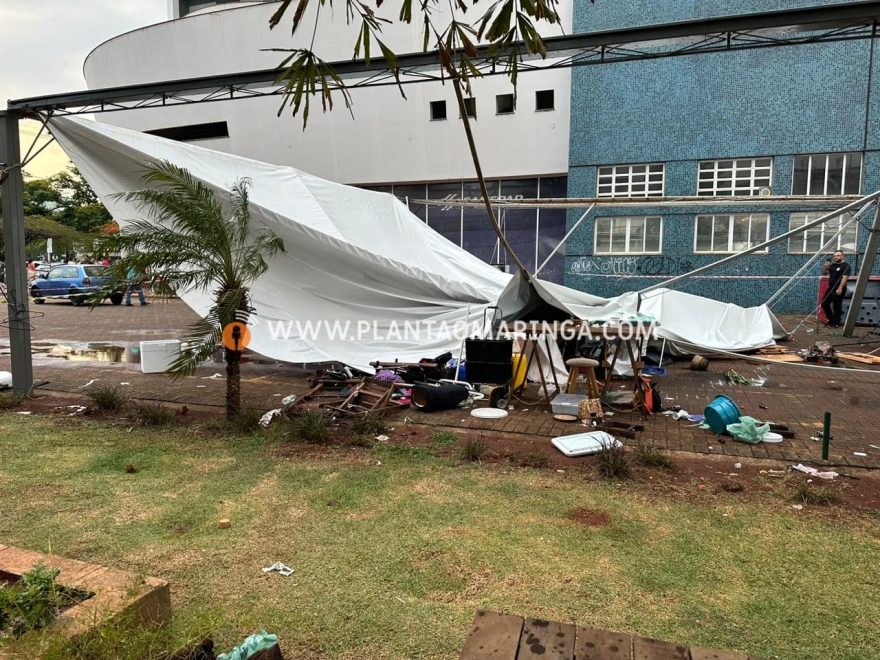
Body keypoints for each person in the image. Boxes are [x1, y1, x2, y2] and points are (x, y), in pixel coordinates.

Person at [821, 250, 851, 328]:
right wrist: (825, 267)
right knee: (824, 304)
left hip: (839, 288)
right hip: (830, 288)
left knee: (837, 306)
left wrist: (840, 288)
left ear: (842, 256)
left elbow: (845, 277)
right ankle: (831, 321)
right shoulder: (833, 265)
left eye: (838, 255)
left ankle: (836, 323)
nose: (835, 257)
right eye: (834, 256)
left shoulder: (846, 265)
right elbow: (824, 273)